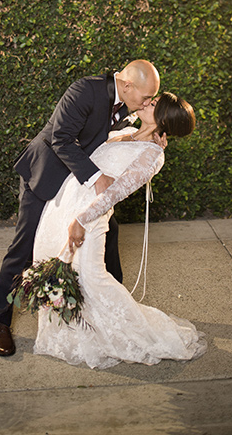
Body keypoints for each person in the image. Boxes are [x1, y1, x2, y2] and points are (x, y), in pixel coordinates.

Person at [0, 60, 162, 356]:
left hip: (77, 186)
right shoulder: (85, 90)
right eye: (146, 98)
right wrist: (97, 178)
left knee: (108, 234)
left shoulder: (125, 106)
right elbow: (62, 140)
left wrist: (149, 135)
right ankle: (0, 322)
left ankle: (111, 310)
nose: (148, 103)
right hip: (46, 177)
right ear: (128, 85)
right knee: (24, 248)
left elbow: (106, 138)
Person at [32, 92, 207, 369]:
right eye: (151, 99)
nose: (147, 102)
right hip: (68, 202)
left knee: (93, 277)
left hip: (89, 215)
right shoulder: (127, 131)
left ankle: (136, 337)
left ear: (163, 119)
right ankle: (76, 330)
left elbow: (114, 193)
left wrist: (81, 220)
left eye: (154, 104)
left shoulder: (152, 155)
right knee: (67, 270)